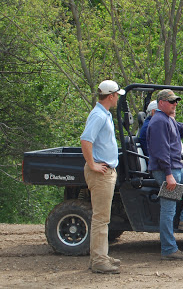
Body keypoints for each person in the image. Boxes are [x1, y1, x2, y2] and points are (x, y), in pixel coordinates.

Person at [147, 89, 183, 261]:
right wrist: (169, 175)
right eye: (171, 101)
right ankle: (169, 249)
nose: (175, 104)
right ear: (161, 103)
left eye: (176, 101)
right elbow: (161, 151)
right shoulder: (158, 122)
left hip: (176, 169)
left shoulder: (168, 120)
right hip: (167, 171)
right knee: (168, 209)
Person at [80, 80, 125, 274]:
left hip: (106, 170)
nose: (118, 98)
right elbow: (85, 139)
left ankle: (100, 256)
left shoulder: (102, 113)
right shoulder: (99, 115)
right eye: (117, 95)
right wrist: (92, 164)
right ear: (111, 96)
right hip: (101, 172)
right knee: (101, 218)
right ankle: (99, 261)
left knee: (102, 217)